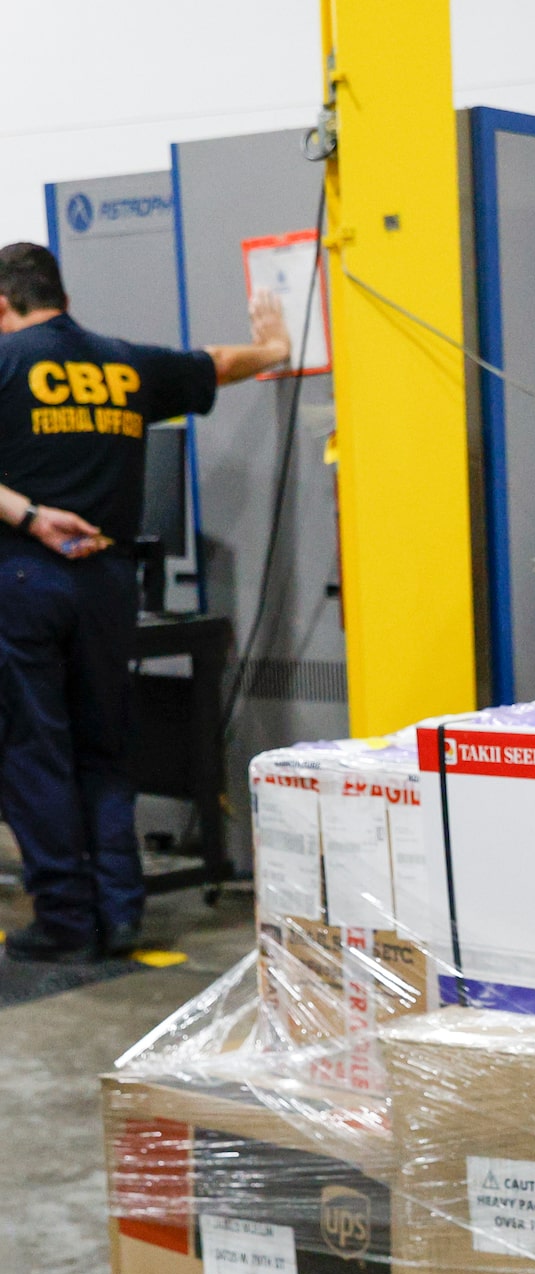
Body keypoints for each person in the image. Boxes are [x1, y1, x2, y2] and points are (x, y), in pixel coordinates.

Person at [0, 240, 290, 962]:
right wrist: (276, 345)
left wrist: (31, 517)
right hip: (109, 586)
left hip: (25, 582)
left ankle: (66, 922)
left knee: (36, 754)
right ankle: (120, 913)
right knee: (104, 750)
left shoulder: (4, 365)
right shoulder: (125, 363)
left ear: (3, 304)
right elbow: (220, 364)